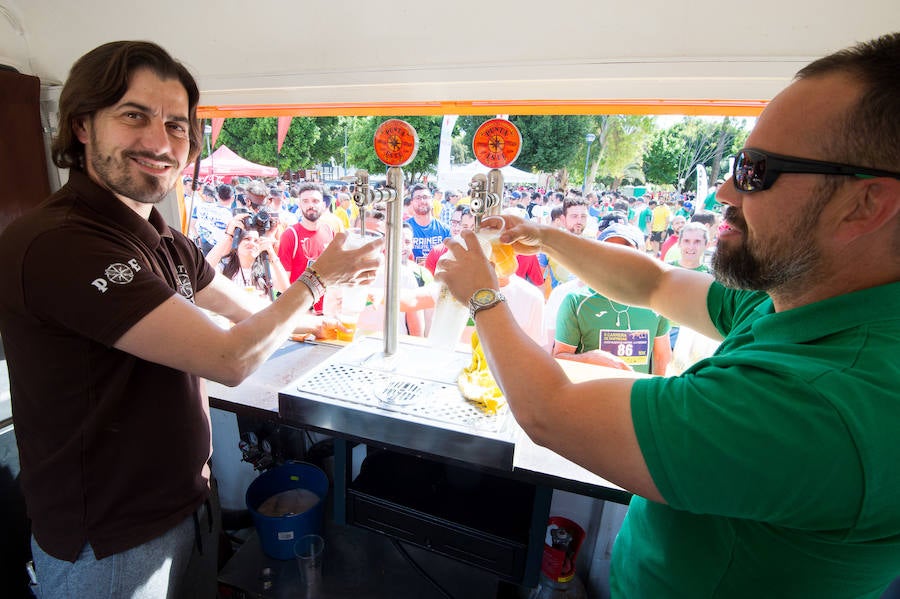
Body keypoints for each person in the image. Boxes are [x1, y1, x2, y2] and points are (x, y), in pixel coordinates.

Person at [435, 32, 900, 597]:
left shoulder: (825, 404)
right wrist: (545, 236)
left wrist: (482, 295)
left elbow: (550, 412)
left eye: (757, 171)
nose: (725, 192)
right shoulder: (806, 300)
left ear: (866, 203)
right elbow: (652, 283)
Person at [0, 41, 382, 599]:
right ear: (82, 125)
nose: (160, 142)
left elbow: (240, 308)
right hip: (110, 541)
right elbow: (228, 359)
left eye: (177, 126)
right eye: (134, 116)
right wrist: (318, 280)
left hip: (186, 502)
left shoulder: (164, 238)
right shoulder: (60, 242)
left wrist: (316, 326)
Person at [552, 224, 671, 375]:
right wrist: (590, 359)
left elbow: (662, 358)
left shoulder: (655, 302)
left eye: (625, 251)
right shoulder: (576, 301)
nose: (617, 259)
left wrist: (655, 397)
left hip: (637, 395)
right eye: (609, 251)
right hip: (592, 395)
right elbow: (559, 358)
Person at [277, 182, 336, 313]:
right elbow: (282, 283)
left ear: (324, 205)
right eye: (305, 201)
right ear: (299, 205)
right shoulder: (290, 235)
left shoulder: (329, 230)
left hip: (326, 310)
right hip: (301, 312)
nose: (311, 205)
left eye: (315, 201)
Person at [205, 213, 290, 301]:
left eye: (256, 241)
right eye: (247, 239)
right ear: (236, 244)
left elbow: (285, 289)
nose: (252, 243)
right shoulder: (224, 267)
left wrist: (272, 254)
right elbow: (203, 270)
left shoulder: (265, 269)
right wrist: (228, 236)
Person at [405, 183, 450, 263]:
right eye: (418, 198)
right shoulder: (404, 229)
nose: (422, 201)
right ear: (412, 202)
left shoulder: (445, 230)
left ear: (432, 201)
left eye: (425, 197)